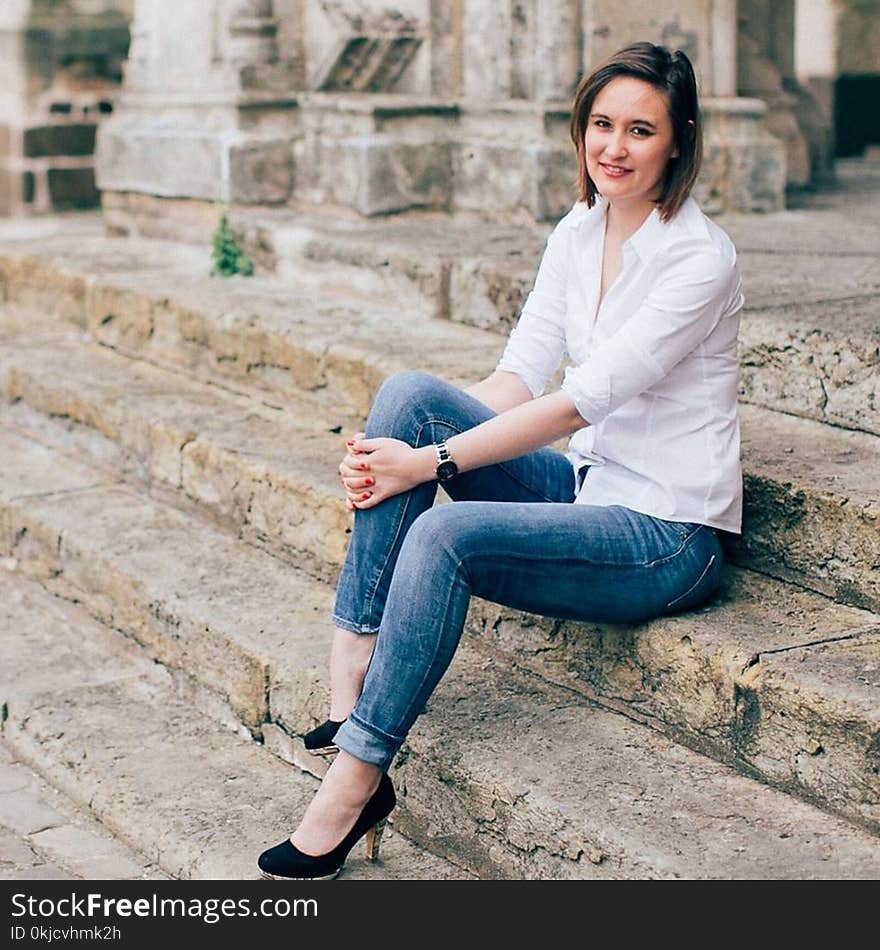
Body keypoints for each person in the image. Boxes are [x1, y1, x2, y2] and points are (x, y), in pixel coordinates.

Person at [258, 40, 744, 880]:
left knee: (443, 537)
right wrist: (409, 449)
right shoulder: (578, 230)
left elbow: (577, 401)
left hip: (666, 534)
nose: (614, 149)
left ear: (679, 140)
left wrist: (431, 466)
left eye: (639, 130)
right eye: (601, 125)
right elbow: (518, 377)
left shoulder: (699, 258)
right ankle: (353, 664)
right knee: (411, 395)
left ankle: (358, 773)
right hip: (590, 490)